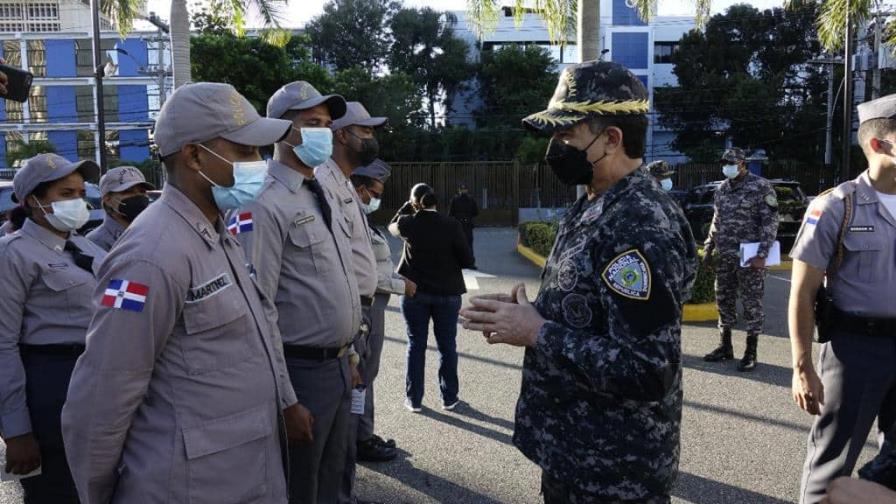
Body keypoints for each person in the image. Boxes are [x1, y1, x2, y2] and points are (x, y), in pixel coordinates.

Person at [460, 60, 697, 503]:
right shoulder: (597, 201)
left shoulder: (638, 225)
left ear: (612, 139)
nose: (555, 147)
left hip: (612, 474)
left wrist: (537, 331)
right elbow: (594, 311)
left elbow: (648, 369)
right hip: (577, 454)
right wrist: (535, 312)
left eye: (567, 135)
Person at [61, 82, 297, 504]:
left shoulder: (216, 231)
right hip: (189, 487)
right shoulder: (151, 254)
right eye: (244, 151)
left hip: (242, 474)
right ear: (194, 155)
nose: (258, 164)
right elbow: (101, 398)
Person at [240, 79, 364, 504]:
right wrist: (286, 399)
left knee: (335, 480)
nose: (324, 133)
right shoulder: (262, 201)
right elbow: (259, 309)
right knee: (300, 488)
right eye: (312, 123)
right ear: (280, 131)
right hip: (299, 374)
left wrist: (347, 354)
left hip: (336, 369)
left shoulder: (320, 192)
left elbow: (337, 275)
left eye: (328, 124)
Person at [789, 93, 896, 504]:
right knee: (833, 458)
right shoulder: (837, 206)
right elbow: (802, 291)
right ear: (878, 144)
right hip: (855, 349)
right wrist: (801, 367)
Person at [0, 153, 105, 504]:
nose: (79, 202)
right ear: (34, 202)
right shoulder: (12, 254)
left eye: (80, 192)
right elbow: (2, 344)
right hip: (51, 384)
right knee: (58, 493)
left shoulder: (86, 247)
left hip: (100, 379)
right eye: (66, 194)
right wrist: (16, 431)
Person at [314, 101, 388, 504]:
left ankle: (344, 491)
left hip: (357, 315)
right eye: (365, 131)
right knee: (331, 435)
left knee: (346, 421)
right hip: (342, 320)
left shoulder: (342, 183)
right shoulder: (322, 183)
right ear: (342, 135)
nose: (371, 139)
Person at [389, 183, 474, 412]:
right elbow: (467, 260)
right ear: (436, 202)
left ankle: (414, 400)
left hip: (415, 293)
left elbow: (391, 226)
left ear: (415, 203)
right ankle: (449, 398)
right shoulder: (452, 225)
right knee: (447, 346)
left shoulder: (408, 223)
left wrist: (405, 208)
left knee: (416, 344)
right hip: (447, 294)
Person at [350, 159, 413, 462]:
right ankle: (358, 439)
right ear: (360, 189)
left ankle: (362, 432)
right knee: (360, 375)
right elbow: (359, 272)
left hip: (374, 307)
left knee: (366, 374)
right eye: (374, 192)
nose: (377, 199)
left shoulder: (362, 219)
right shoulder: (349, 219)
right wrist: (403, 286)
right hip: (364, 307)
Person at [702, 147, 778, 372]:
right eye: (725, 163)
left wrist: (762, 254)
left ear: (743, 164)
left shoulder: (761, 187)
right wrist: (708, 248)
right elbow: (717, 220)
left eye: (732, 163)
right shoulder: (722, 189)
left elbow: (770, 223)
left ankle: (750, 352)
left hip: (749, 257)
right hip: (725, 255)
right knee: (723, 299)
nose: (728, 167)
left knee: (751, 303)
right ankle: (725, 346)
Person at [86, 165, 155, 251]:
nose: (138, 196)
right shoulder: (96, 242)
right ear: (108, 200)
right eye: (128, 191)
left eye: (142, 191)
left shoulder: (154, 232)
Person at [448, 183, 479, 268]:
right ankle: (471, 264)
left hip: (458, 225)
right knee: (469, 245)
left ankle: (457, 263)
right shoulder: (471, 199)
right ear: (467, 190)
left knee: (457, 244)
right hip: (468, 224)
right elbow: (476, 212)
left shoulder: (455, 199)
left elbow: (450, 213)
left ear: (459, 191)